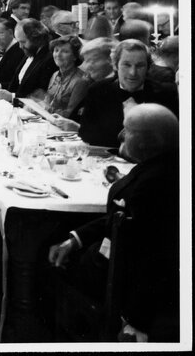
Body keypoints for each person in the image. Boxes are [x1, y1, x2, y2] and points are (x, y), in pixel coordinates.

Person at [47, 105, 179, 341]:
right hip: (118, 264)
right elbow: (118, 219)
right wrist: (75, 239)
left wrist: (137, 323)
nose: (119, 135)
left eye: (126, 130)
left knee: (43, 249)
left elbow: (153, 259)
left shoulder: (153, 185)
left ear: (148, 141)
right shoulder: (160, 167)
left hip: (119, 282)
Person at [72, 39, 178, 147]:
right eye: (127, 65)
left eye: (140, 66)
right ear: (115, 65)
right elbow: (86, 134)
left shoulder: (166, 94)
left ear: (148, 68)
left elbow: (172, 140)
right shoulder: (98, 91)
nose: (133, 73)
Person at [42, 36, 89, 120]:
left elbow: (70, 114)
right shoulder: (55, 74)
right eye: (56, 50)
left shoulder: (81, 80)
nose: (58, 55)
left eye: (65, 51)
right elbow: (48, 102)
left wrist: (47, 110)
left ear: (75, 56)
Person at [0, 17, 24, 87]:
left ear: (10, 32)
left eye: (0, 34)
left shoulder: (20, 51)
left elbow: (18, 83)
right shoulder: (2, 50)